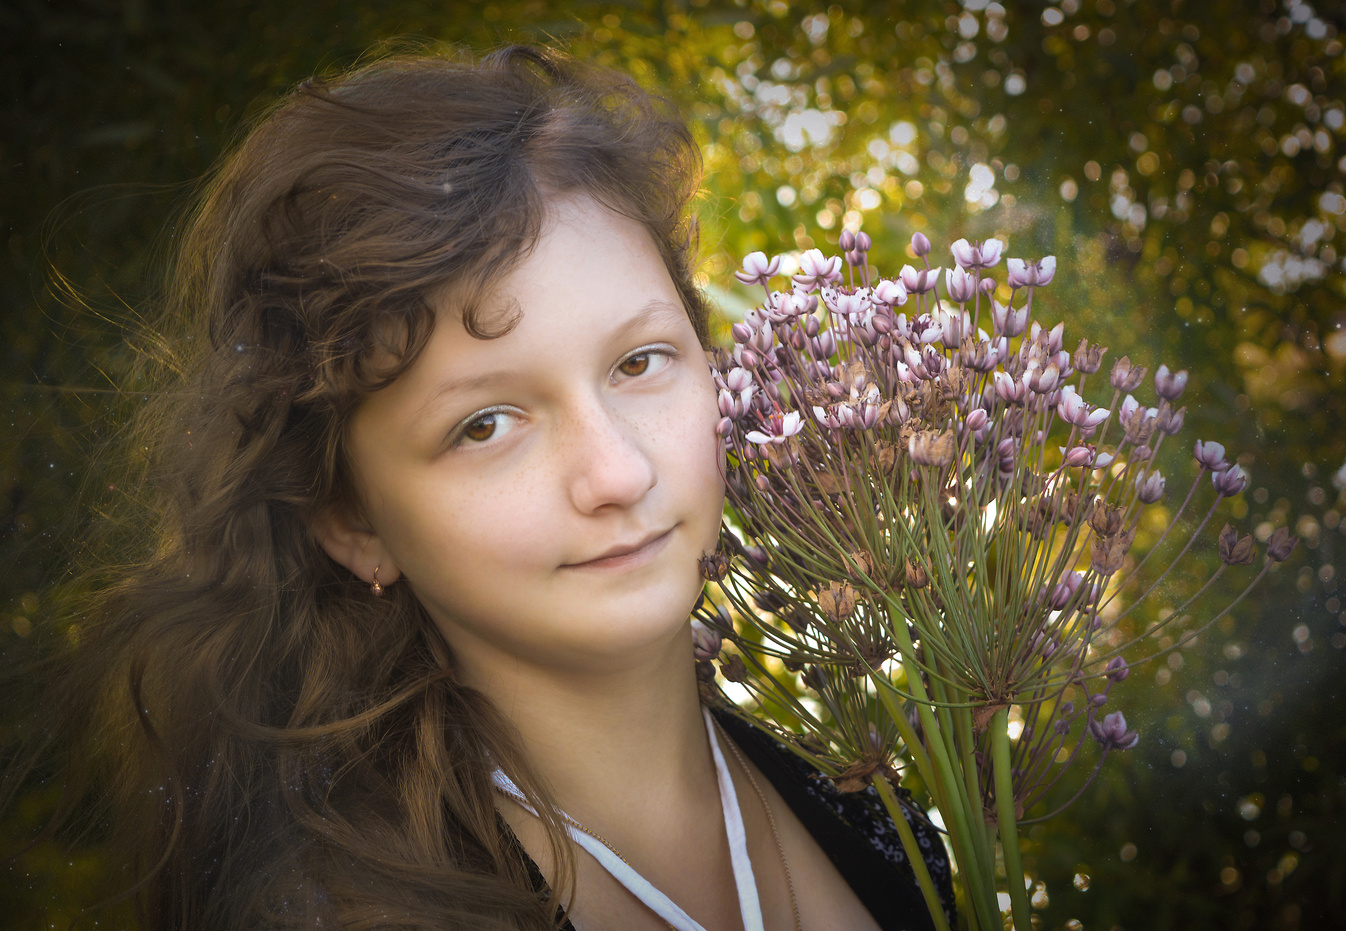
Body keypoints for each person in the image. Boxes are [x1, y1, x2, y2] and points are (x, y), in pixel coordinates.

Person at [5, 45, 953, 930]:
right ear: (351, 518)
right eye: (486, 424)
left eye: (640, 362)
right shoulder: (340, 910)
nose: (618, 473)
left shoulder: (882, 811)